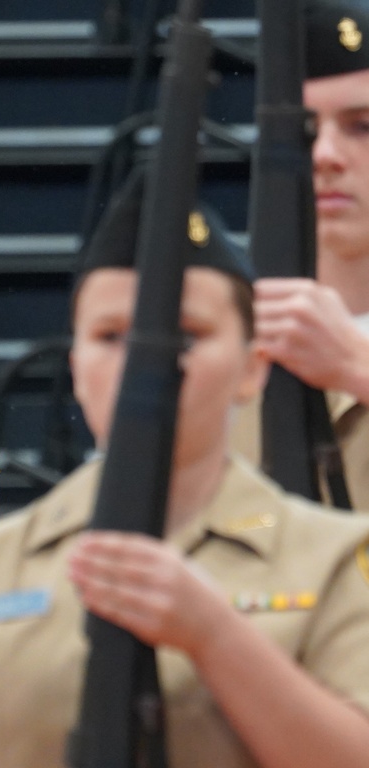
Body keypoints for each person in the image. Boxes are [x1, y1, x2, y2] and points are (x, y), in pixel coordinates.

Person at [0, 172, 369, 768]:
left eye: (186, 334)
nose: (148, 360)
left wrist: (215, 638)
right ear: (78, 370)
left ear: (252, 368)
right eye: (112, 337)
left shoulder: (335, 560)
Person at [239, 0, 369, 509]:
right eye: (306, 130)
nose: (326, 155)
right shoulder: (221, 342)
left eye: (363, 126)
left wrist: (357, 367)